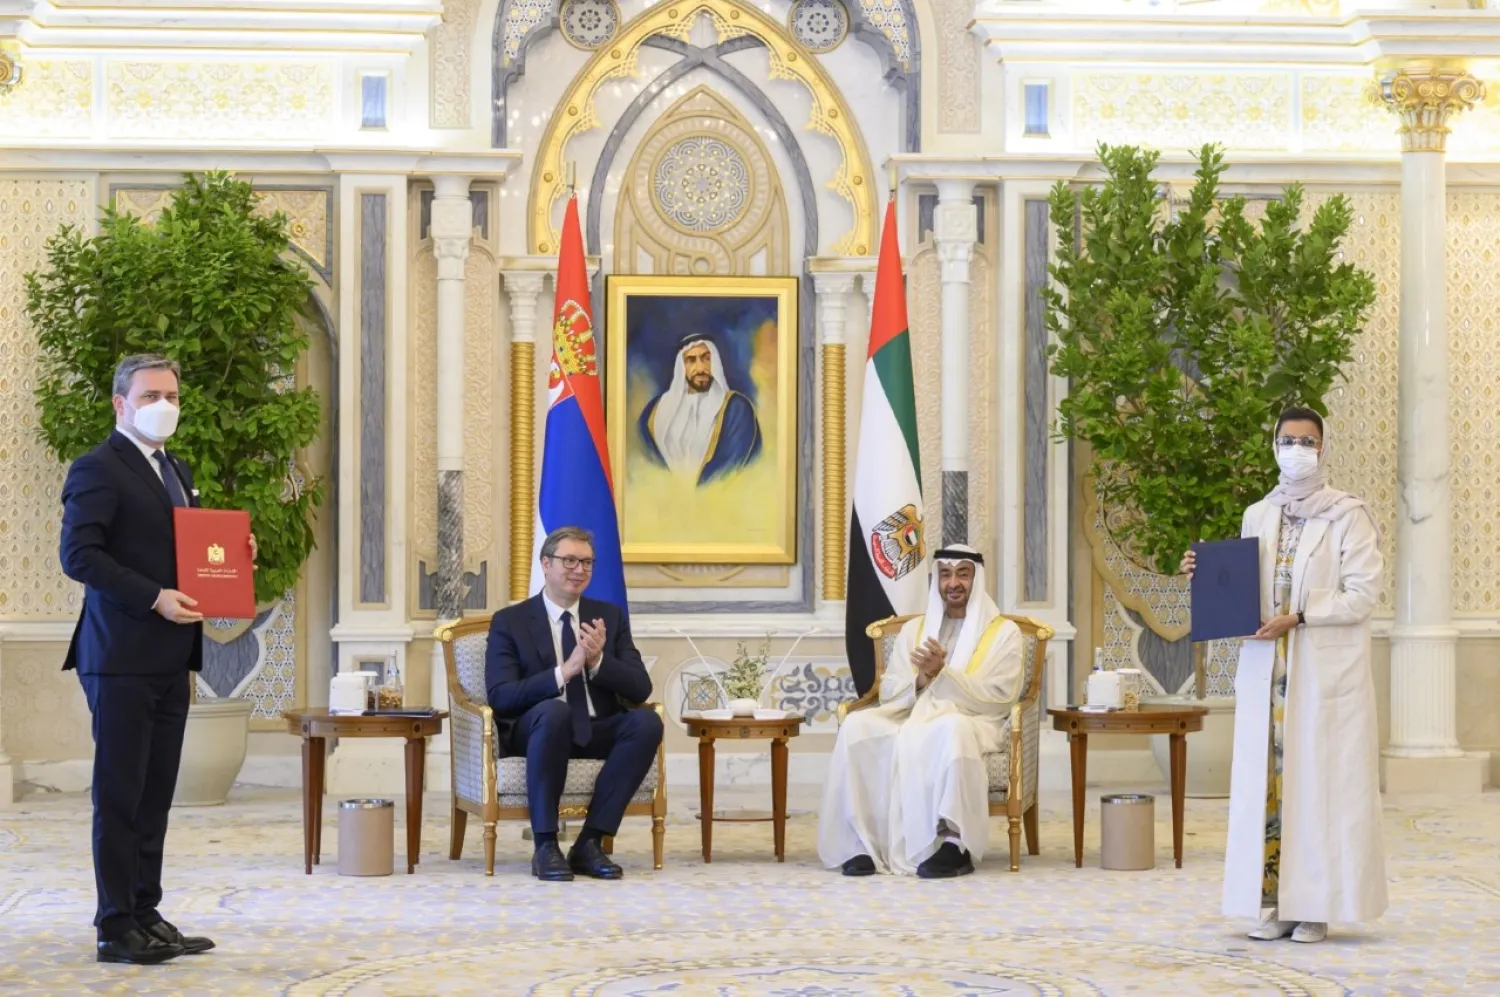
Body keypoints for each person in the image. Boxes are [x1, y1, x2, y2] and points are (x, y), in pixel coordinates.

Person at [60, 354, 251, 964]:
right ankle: (115, 924)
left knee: (154, 791)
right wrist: (152, 597)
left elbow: (188, 553)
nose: (163, 404)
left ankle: (146, 909)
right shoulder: (98, 468)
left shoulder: (176, 467)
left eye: (170, 394)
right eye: (149, 395)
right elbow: (79, 556)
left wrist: (234, 554)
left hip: (172, 656)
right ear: (121, 404)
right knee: (120, 793)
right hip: (120, 655)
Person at [1180, 406, 1386, 945]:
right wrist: (1205, 574)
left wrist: (1300, 615)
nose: (1297, 448)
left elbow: (1364, 593)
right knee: (1270, 785)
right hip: (1267, 671)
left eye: (1308, 440)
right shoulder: (1259, 513)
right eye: (1288, 439)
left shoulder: (1347, 515)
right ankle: (1274, 903)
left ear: (1323, 448)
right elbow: (1247, 583)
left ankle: (1315, 906)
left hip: (1322, 671)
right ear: (1273, 445)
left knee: (1317, 785)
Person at [818, 545, 1023, 878]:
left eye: (963, 574)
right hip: (911, 713)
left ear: (977, 579)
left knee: (951, 729)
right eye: (945, 574)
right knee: (857, 725)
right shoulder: (915, 631)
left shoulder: (1003, 634)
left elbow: (999, 697)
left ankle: (954, 844)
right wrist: (922, 678)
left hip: (973, 720)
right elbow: (888, 692)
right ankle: (863, 845)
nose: (953, 583)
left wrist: (946, 675)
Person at [484, 526, 663, 882]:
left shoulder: (607, 617)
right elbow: (501, 696)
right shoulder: (511, 621)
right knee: (555, 711)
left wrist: (597, 662)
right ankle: (546, 846)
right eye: (569, 561)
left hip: (594, 726)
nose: (579, 570)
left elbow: (640, 687)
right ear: (546, 564)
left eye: (586, 562)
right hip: (537, 730)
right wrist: (563, 673)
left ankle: (590, 841)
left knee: (646, 723)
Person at [638, 334, 761, 485]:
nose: (700, 368)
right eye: (691, 360)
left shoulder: (736, 408)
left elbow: (731, 466)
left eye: (706, 358)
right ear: (681, 367)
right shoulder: (655, 412)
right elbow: (647, 461)